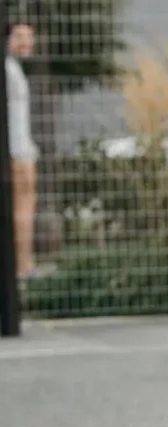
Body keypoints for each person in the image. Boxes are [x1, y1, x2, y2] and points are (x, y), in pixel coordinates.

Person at [5, 21, 39, 280]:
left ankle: (24, 264)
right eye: (19, 36)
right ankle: (22, 266)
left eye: (29, 36)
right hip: (17, 153)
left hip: (23, 149)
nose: (26, 41)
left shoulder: (14, 69)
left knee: (26, 209)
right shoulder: (8, 70)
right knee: (22, 211)